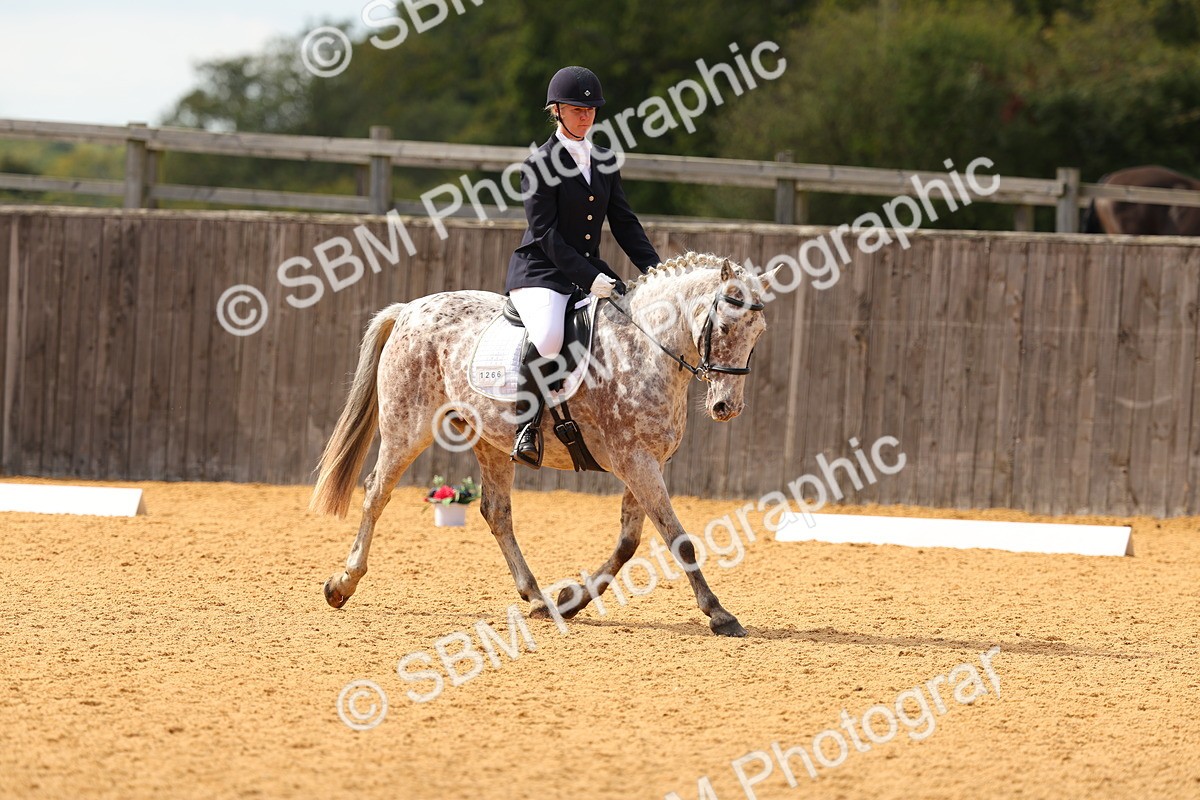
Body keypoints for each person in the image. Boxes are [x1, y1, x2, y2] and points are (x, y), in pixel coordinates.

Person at [505, 66, 661, 468]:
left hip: (590, 272)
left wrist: (658, 273)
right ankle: (525, 427)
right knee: (551, 337)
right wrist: (590, 278)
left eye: (591, 108)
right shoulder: (539, 163)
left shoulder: (605, 160)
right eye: (576, 108)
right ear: (556, 110)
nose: (586, 115)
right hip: (542, 272)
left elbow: (625, 223)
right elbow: (545, 234)